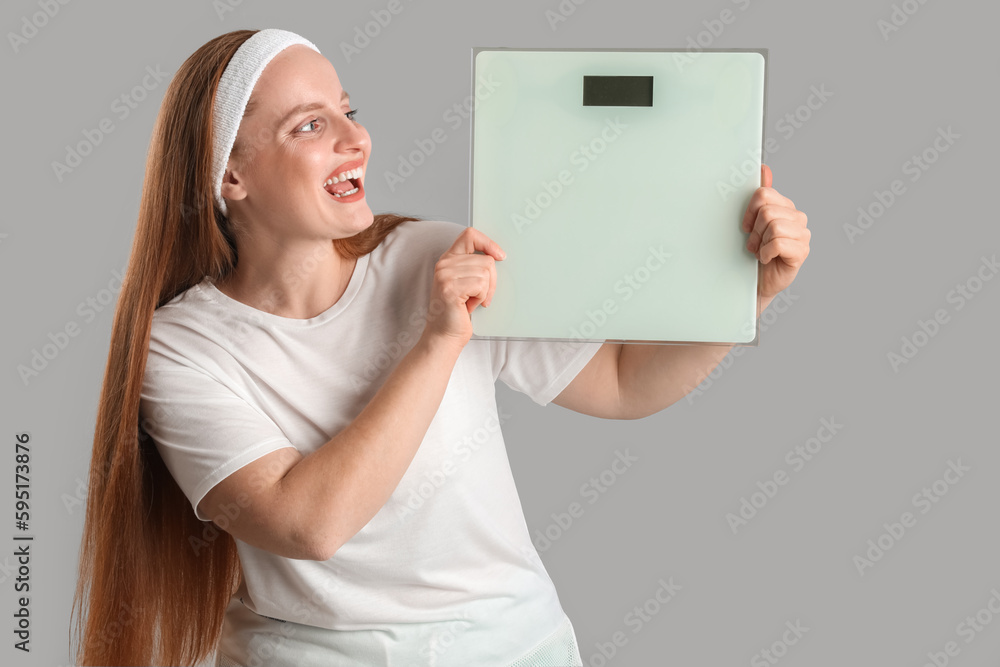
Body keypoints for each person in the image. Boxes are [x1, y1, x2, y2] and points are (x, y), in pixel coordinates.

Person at [70, 28, 810, 667]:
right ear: (229, 174)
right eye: (308, 126)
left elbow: (621, 381)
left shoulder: (432, 253)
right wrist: (437, 340)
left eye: (348, 112)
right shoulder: (182, 347)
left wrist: (746, 297)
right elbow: (306, 523)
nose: (355, 137)